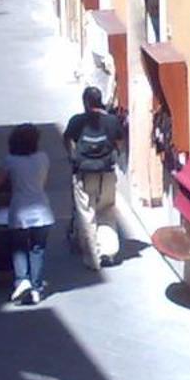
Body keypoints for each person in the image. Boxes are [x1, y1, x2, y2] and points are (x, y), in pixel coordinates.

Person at [62, 86, 126, 267]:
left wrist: (72, 157)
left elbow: (67, 140)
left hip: (84, 174)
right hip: (106, 173)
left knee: (87, 214)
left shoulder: (77, 121)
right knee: (106, 210)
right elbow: (120, 142)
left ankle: (93, 257)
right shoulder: (112, 121)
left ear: (86, 103)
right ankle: (109, 251)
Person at [3, 122, 55, 305]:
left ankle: (21, 280)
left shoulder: (11, 161)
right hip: (43, 211)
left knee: (19, 248)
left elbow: (0, 181)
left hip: (20, 212)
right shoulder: (43, 158)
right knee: (37, 250)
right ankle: (37, 288)